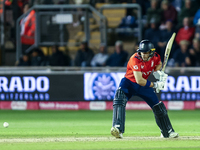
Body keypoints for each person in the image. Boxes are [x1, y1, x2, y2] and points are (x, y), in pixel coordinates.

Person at [110, 40, 179, 139]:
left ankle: (167, 132)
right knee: (119, 99)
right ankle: (118, 128)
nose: (144, 55)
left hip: (143, 86)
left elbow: (158, 63)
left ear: (151, 52)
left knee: (158, 106)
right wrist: (155, 84)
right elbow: (139, 80)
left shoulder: (155, 56)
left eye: (146, 53)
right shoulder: (135, 59)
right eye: (142, 52)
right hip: (129, 83)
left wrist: (158, 72)